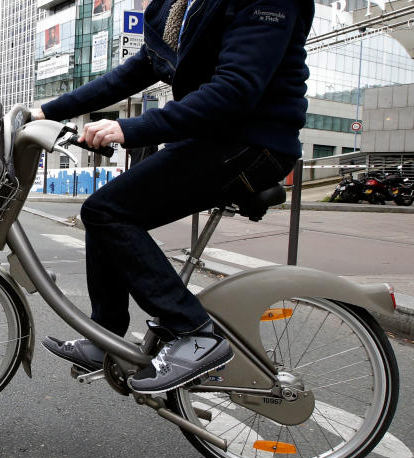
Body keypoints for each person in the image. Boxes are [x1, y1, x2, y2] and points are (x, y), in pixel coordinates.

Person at [32, 0, 314, 394]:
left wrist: (132, 128)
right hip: (209, 138)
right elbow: (129, 74)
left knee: (108, 212)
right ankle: (106, 338)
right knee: (104, 210)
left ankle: (196, 333)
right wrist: (45, 111)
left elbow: (236, 90)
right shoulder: (174, 7)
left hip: (254, 142)